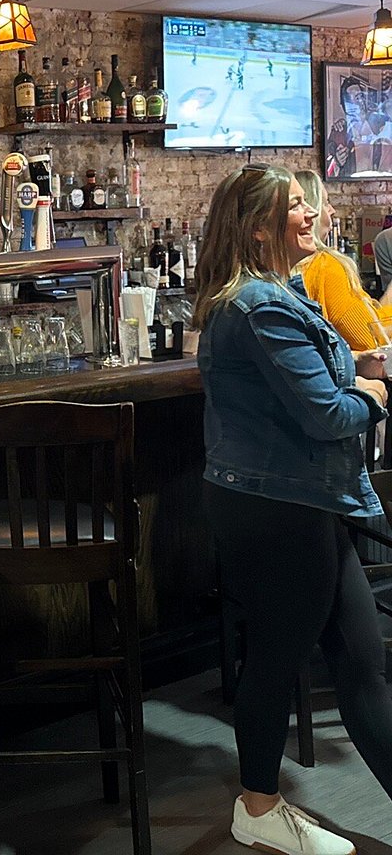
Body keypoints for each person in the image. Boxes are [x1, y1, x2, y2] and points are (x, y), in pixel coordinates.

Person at [193, 164, 392, 855]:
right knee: (279, 659)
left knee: (361, 664)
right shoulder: (259, 306)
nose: (314, 215)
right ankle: (258, 807)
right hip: (273, 507)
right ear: (259, 227)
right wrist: (374, 394)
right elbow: (326, 414)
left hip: (300, 499)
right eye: (298, 206)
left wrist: (358, 375)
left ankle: (259, 808)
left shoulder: (280, 292)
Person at [295, 168, 392, 350]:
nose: (332, 210)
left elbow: (372, 320)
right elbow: (370, 337)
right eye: (325, 203)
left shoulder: (284, 268)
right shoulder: (325, 266)